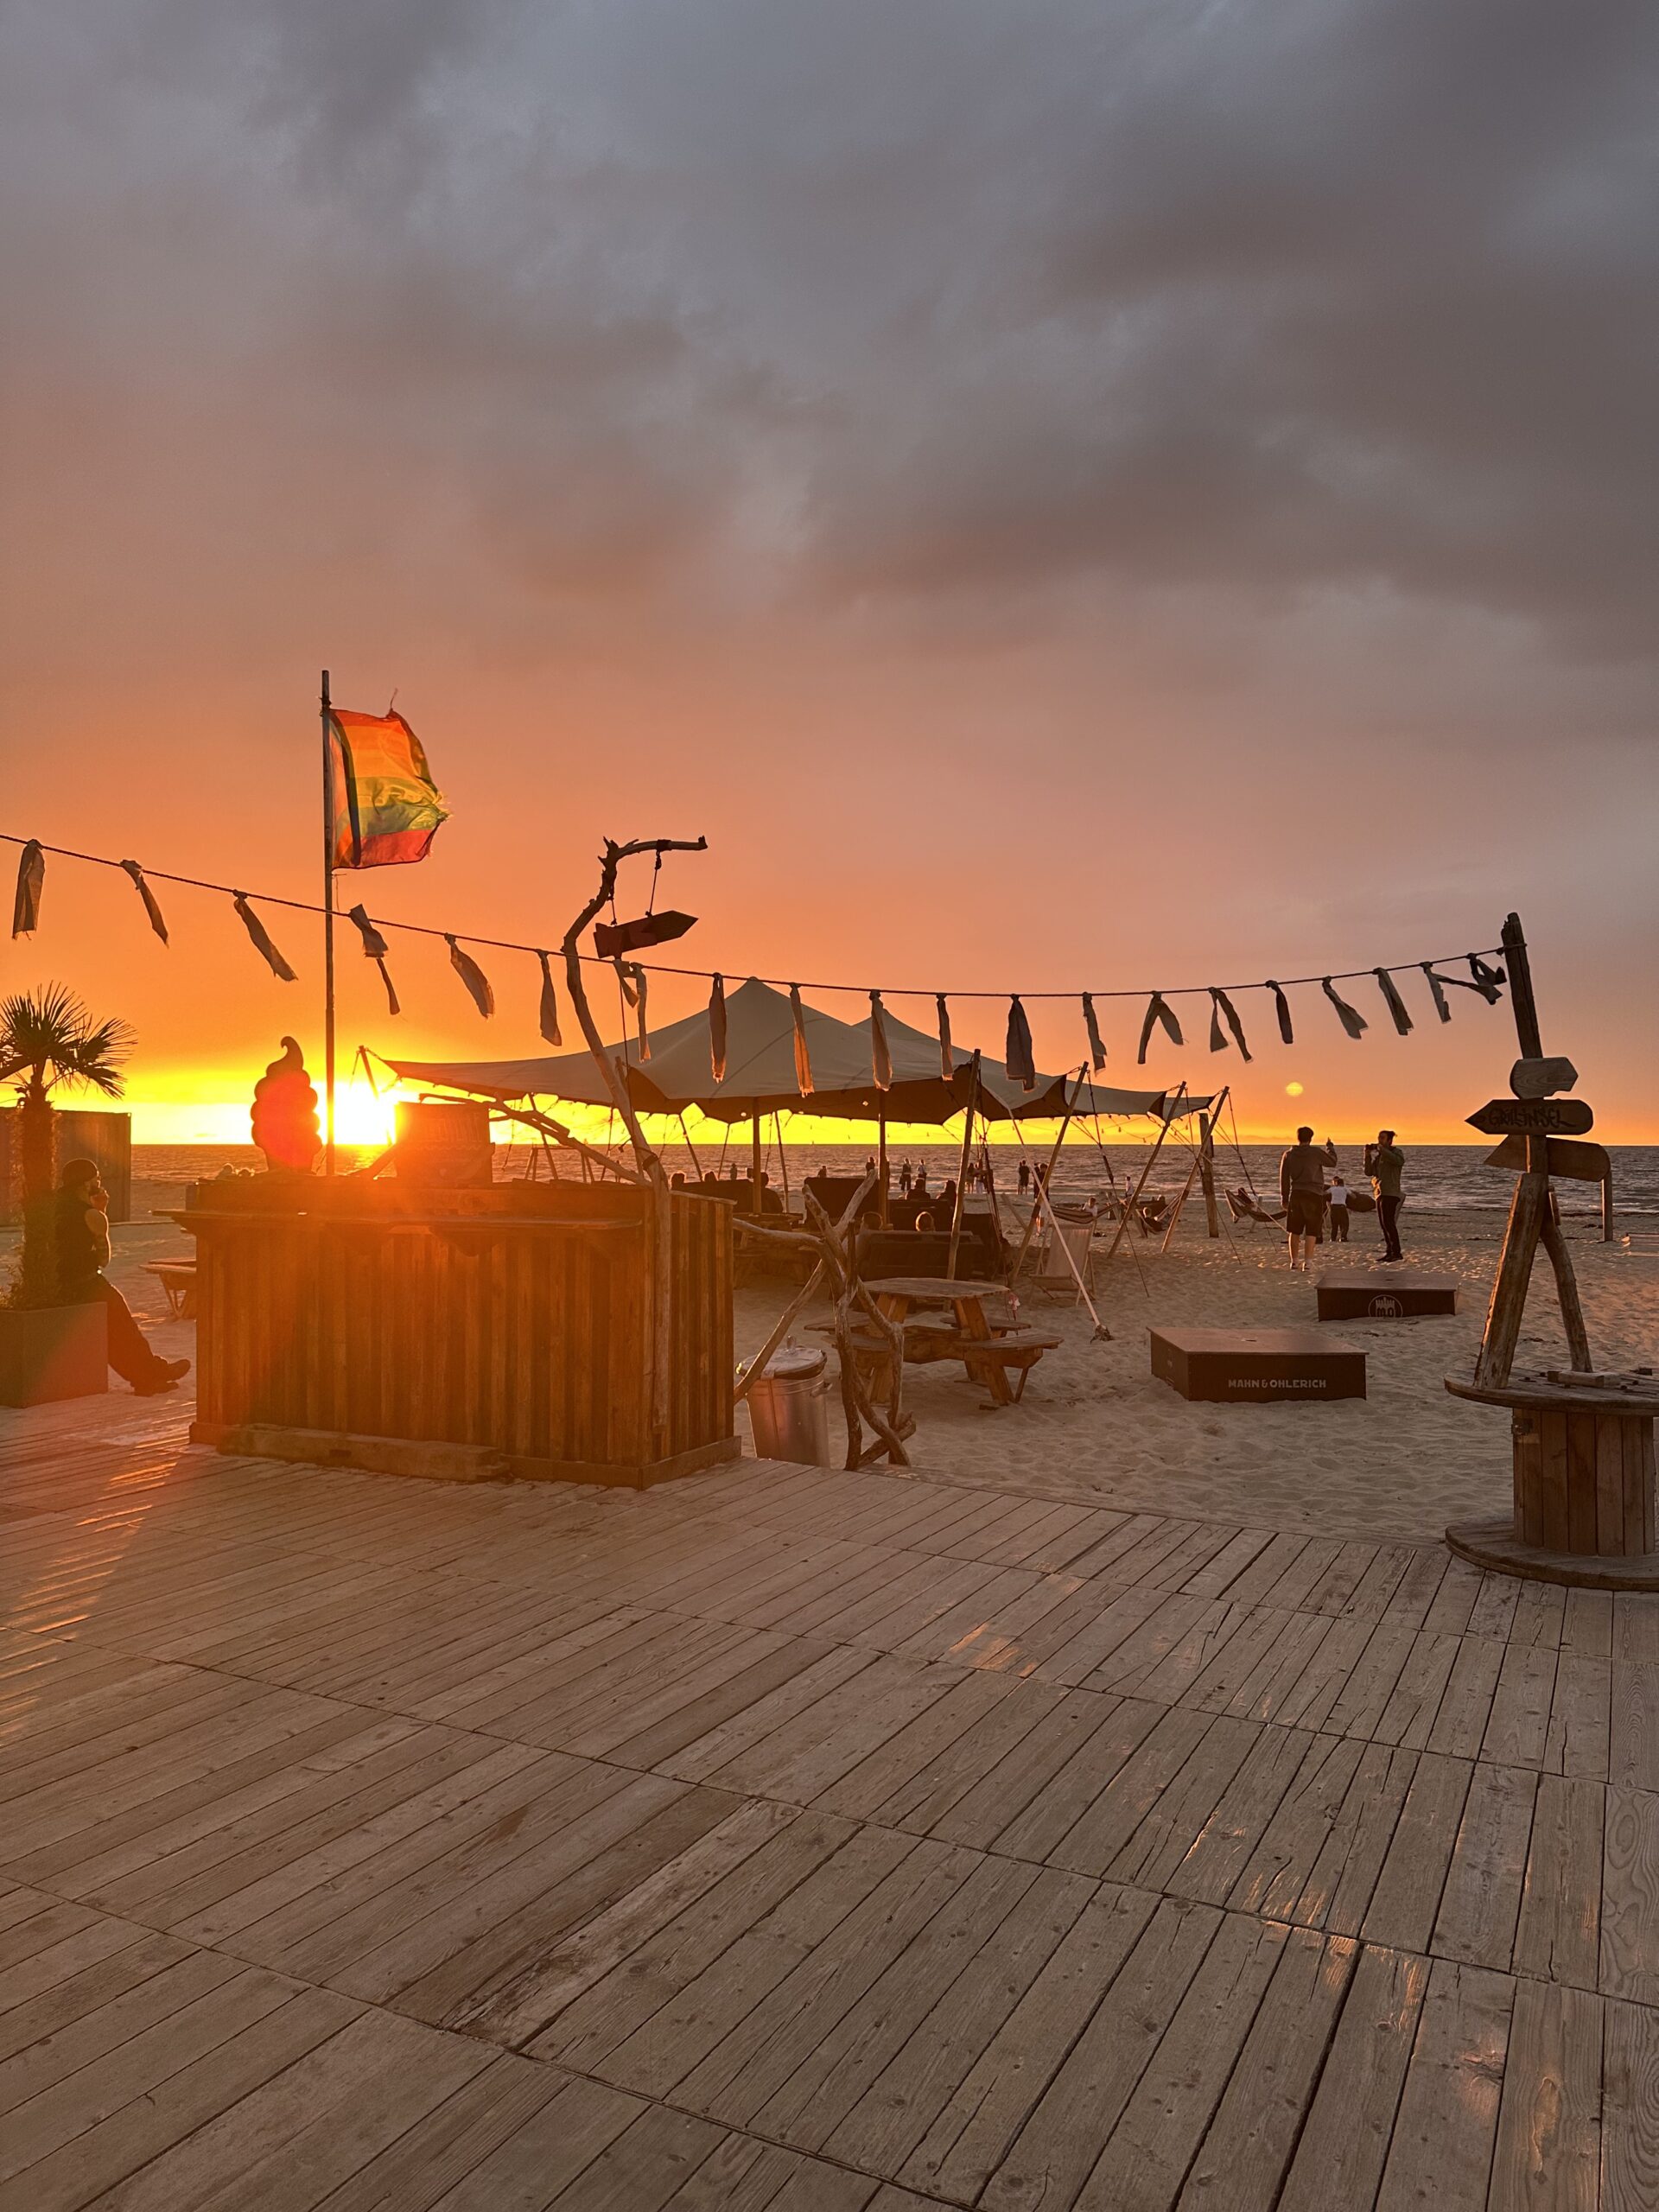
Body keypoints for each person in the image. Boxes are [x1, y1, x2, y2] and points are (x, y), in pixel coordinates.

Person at [54, 1159, 189, 1395]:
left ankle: (148, 1376)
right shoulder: (89, 1215)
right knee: (121, 1324)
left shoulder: (56, 1208)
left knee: (115, 1329)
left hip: (61, 1283)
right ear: (87, 1184)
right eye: (96, 1178)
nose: (99, 1182)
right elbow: (103, 1260)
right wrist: (102, 1213)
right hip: (84, 1282)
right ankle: (151, 1374)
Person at [1278, 1125, 1336, 1273]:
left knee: (1294, 1230)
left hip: (1296, 1193)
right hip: (1314, 1194)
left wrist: (1284, 1197)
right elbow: (1332, 1162)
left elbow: (1284, 1178)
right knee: (1311, 1229)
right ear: (1311, 1138)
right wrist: (1330, 1147)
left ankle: (1294, 1261)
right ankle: (1308, 1262)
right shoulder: (1315, 1153)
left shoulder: (1289, 1154)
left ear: (1298, 1137)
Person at [1365, 1128, 1406, 1261]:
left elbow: (1399, 1162)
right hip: (1379, 1192)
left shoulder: (1396, 1152)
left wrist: (1382, 1150)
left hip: (1391, 1192)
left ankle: (1396, 1252)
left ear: (1389, 1140)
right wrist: (1367, 1155)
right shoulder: (1379, 1156)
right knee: (1384, 1224)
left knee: (1389, 1223)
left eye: (1382, 1138)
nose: (1379, 1140)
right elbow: (1369, 1172)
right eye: (1379, 1137)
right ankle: (1390, 1251)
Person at [1327, 1170, 1351, 1243]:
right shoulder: (1345, 1189)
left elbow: (1324, 1193)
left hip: (1333, 1207)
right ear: (1342, 1183)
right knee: (1344, 1223)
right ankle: (1343, 1237)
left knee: (1334, 1224)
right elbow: (1354, 1196)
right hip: (1342, 1207)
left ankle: (1333, 1238)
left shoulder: (1332, 1189)